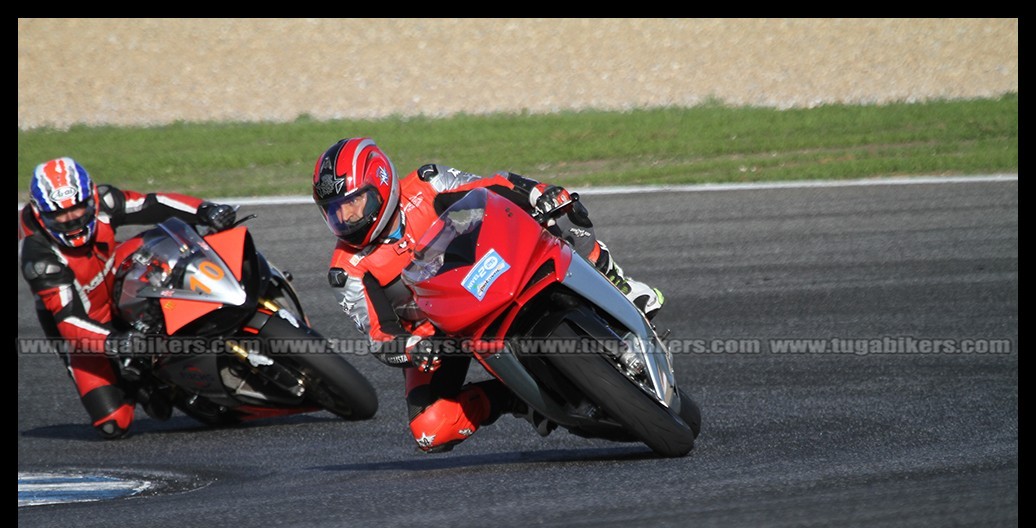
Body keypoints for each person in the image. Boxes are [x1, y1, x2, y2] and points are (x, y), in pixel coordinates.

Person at [313, 137, 665, 453]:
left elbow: (492, 186)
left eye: (354, 203)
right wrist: (409, 347)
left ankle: (621, 285)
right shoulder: (347, 269)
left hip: (490, 267)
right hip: (440, 330)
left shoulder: (427, 181)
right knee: (430, 429)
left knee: (554, 221)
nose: (346, 218)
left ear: (382, 183)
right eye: (334, 211)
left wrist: (537, 192)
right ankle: (523, 401)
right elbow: (378, 334)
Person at [19, 156, 238, 439]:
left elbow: (154, 204)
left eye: (78, 208)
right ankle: (146, 380)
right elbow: (69, 321)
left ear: (92, 198)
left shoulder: (106, 201)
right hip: (87, 327)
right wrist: (114, 343)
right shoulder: (39, 257)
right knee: (113, 424)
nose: (71, 219)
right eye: (59, 215)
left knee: (163, 242)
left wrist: (206, 209)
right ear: (39, 214)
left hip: (120, 278)